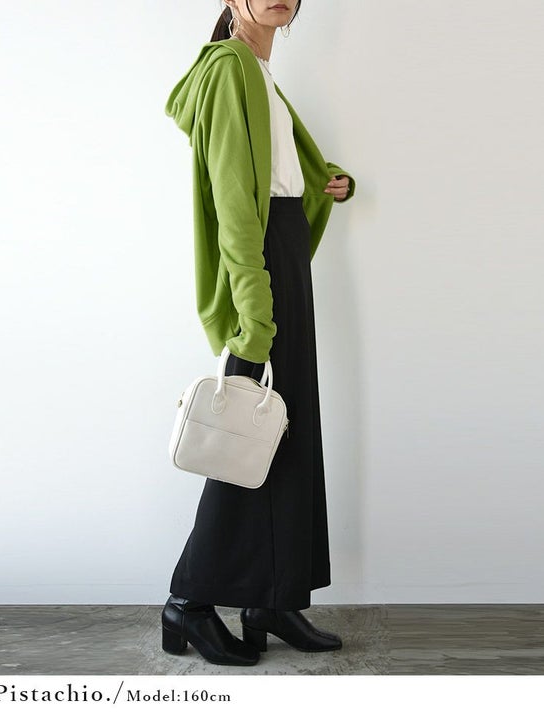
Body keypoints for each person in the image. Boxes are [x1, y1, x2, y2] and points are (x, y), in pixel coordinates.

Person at [161, 0, 356, 666]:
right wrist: (254, 307)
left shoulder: (262, 73)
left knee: (283, 434)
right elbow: (233, 201)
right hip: (262, 267)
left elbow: (278, 179)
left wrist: (323, 183)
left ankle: (271, 599)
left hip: (283, 252)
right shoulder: (229, 68)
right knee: (240, 438)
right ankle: (188, 601)